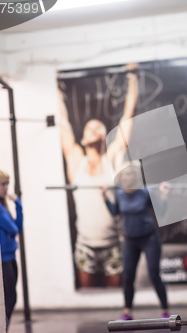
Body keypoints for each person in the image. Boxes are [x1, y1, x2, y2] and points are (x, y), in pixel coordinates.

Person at [58, 64, 139, 288]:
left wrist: (132, 76)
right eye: (89, 128)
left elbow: (127, 117)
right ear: (83, 138)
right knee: (86, 299)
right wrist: (54, 85)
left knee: (112, 300)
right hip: (85, 244)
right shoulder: (76, 161)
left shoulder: (112, 158)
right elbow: (63, 123)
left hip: (113, 244)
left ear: (106, 136)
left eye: (98, 127)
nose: (93, 129)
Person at [101, 163, 170, 320]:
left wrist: (164, 194)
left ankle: (165, 311)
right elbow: (114, 212)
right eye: (123, 175)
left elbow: (161, 212)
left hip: (149, 238)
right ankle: (127, 312)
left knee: (154, 274)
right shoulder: (119, 194)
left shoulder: (146, 192)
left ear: (135, 177)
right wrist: (104, 197)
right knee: (128, 277)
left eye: (128, 175)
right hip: (130, 240)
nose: (125, 178)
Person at [0, 169, 23, 331]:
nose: (6, 188)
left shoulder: (2, 206)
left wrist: (18, 205)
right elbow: (13, 229)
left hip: (10, 257)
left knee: (11, 298)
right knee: (9, 298)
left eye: (7, 184)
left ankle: (4, 328)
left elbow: (17, 227)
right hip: (3, 260)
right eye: (3, 184)